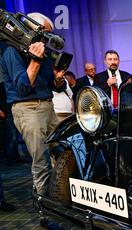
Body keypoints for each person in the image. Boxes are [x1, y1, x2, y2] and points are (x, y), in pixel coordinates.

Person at [1, 12, 65, 200]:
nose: (48, 39)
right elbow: (22, 87)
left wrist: (58, 81)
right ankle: (44, 207)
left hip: (47, 106)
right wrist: (35, 60)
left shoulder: (41, 51)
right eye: (46, 33)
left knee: (62, 153)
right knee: (41, 161)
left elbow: (48, 85)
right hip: (27, 108)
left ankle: (61, 198)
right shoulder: (11, 50)